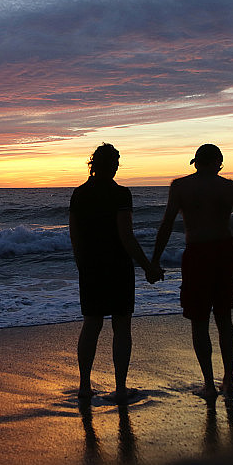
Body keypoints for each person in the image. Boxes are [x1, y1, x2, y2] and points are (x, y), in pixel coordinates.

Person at [151, 144, 233, 399]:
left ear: (196, 162)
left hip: (196, 253)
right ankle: (228, 380)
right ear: (218, 163)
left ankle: (209, 383)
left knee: (199, 321)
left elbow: (166, 225)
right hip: (225, 252)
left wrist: (154, 260)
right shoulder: (228, 187)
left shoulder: (180, 186)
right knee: (224, 318)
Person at [70, 143, 163, 405]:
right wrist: (147, 266)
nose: (118, 165)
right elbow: (126, 235)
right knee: (121, 326)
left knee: (91, 324)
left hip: (90, 266)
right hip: (117, 266)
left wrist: (81, 265)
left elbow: (75, 236)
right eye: (117, 161)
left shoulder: (79, 194)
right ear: (110, 165)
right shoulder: (121, 194)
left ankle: (85, 387)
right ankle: (120, 388)